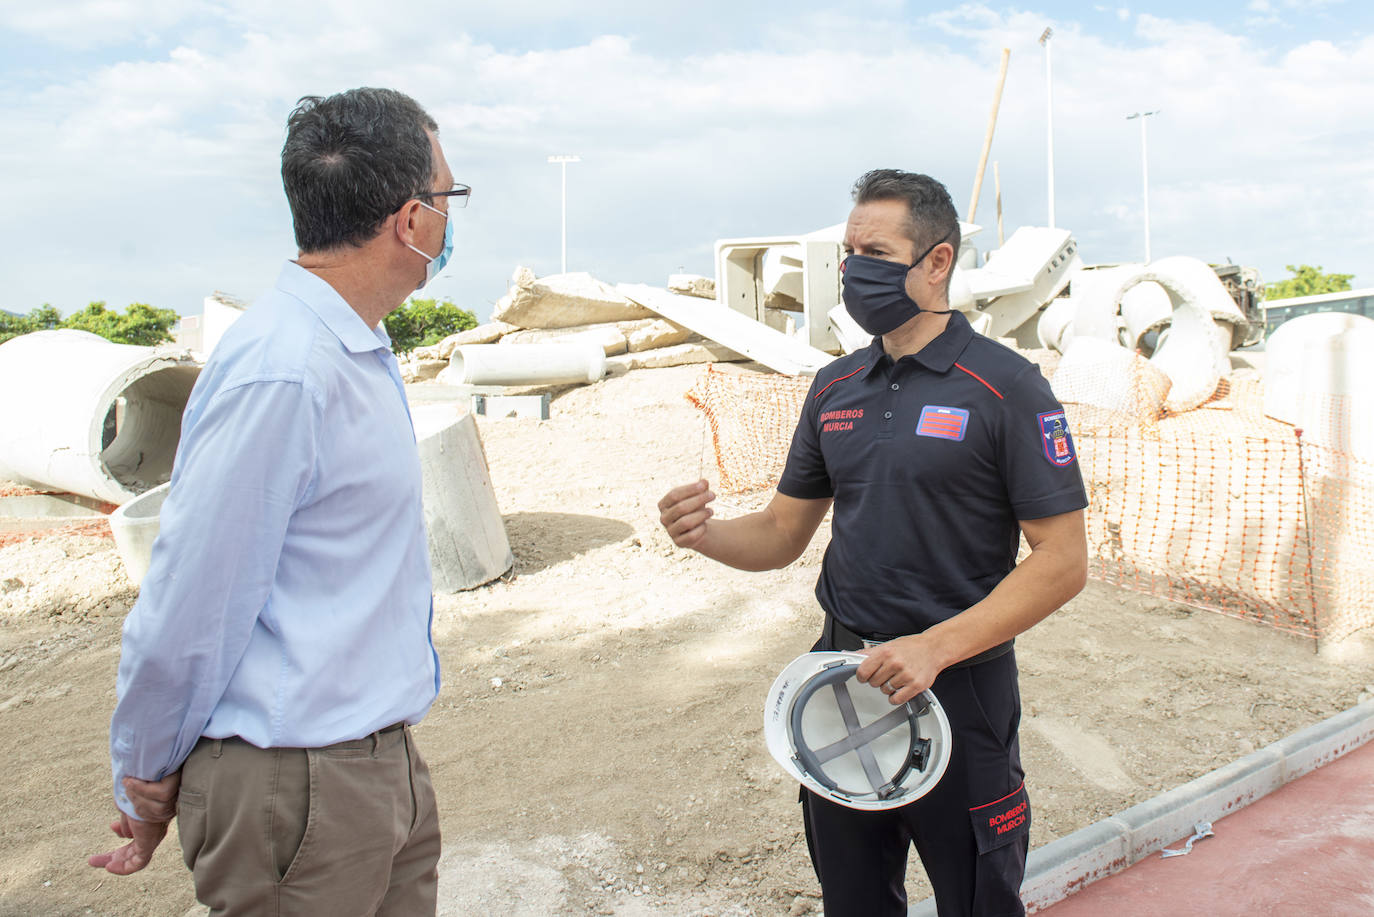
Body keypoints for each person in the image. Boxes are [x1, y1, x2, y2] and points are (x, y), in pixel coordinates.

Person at [658, 169, 1088, 917]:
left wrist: (936, 646)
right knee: (853, 900)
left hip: (960, 687)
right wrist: (704, 536)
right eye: (849, 251)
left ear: (937, 261)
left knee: (979, 899)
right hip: (843, 678)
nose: (854, 270)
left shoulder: (1006, 386)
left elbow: (1063, 561)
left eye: (876, 252)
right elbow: (781, 532)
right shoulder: (834, 386)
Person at [88, 87, 467, 916]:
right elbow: (195, 597)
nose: (450, 219)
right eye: (449, 198)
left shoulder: (353, 349)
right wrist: (143, 768)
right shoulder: (283, 368)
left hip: (374, 766)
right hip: (298, 784)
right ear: (411, 220)